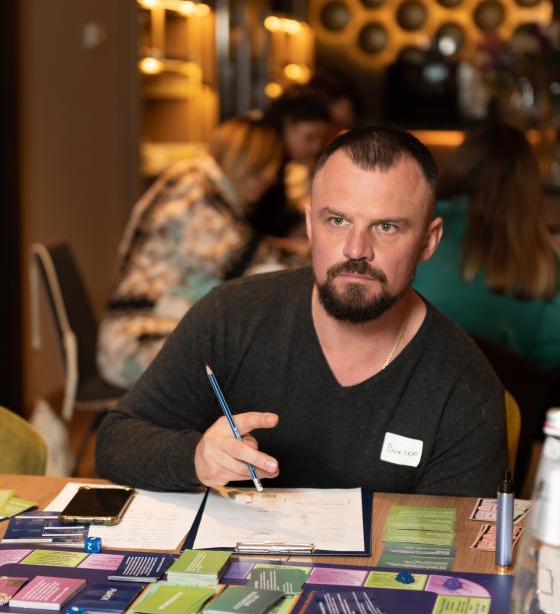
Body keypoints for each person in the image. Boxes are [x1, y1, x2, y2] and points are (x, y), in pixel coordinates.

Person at [96, 126, 507, 497]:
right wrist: (196, 457)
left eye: (386, 227)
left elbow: (457, 548)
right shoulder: (232, 316)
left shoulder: (463, 384)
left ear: (428, 241)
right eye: (337, 221)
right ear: (311, 225)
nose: (356, 250)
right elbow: (117, 440)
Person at [97, 116, 288, 389]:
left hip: (143, 331)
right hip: (137, 342)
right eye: (262, 168)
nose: (270, 177)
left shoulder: (199, 183)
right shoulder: (194, 189)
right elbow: (253, 262)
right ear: (242, 158)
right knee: (258, 361)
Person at [414, 123, 560, 371]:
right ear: (530, 187)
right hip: (508, 393)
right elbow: (552, 361)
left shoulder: (413, 229)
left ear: (460, 165)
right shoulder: (546, 265)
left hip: (407, 384)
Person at [247, 88, 331, 237]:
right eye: (310, 137)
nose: (317, 147)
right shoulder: (264, 161)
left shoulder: (280, 161)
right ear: (288, 125)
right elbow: (263, 228)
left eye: (320, 139)